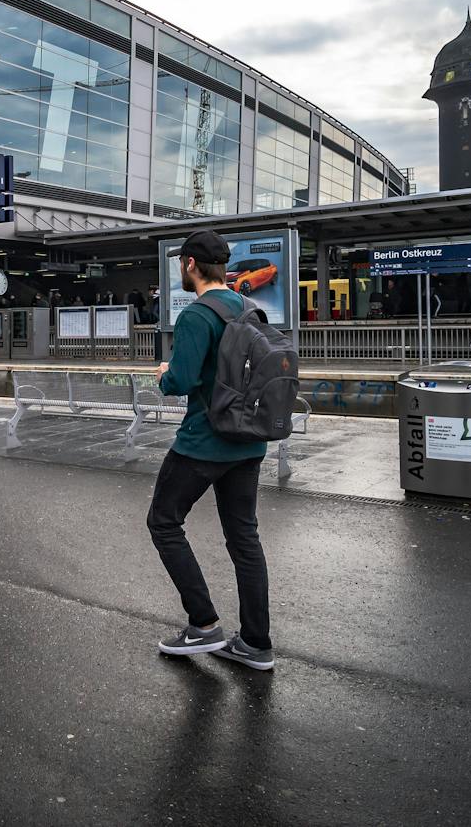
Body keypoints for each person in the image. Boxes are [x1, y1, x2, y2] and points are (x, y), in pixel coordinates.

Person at [147, 229, 275, 672]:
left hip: (204, 442)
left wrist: (164, 373)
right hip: (249, 441)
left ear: (189, 265)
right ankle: (256, 644)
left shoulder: (197, 316)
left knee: (163, 522)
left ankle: (203, 623)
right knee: (244, 538)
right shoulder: (249, 307)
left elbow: (180, 381)